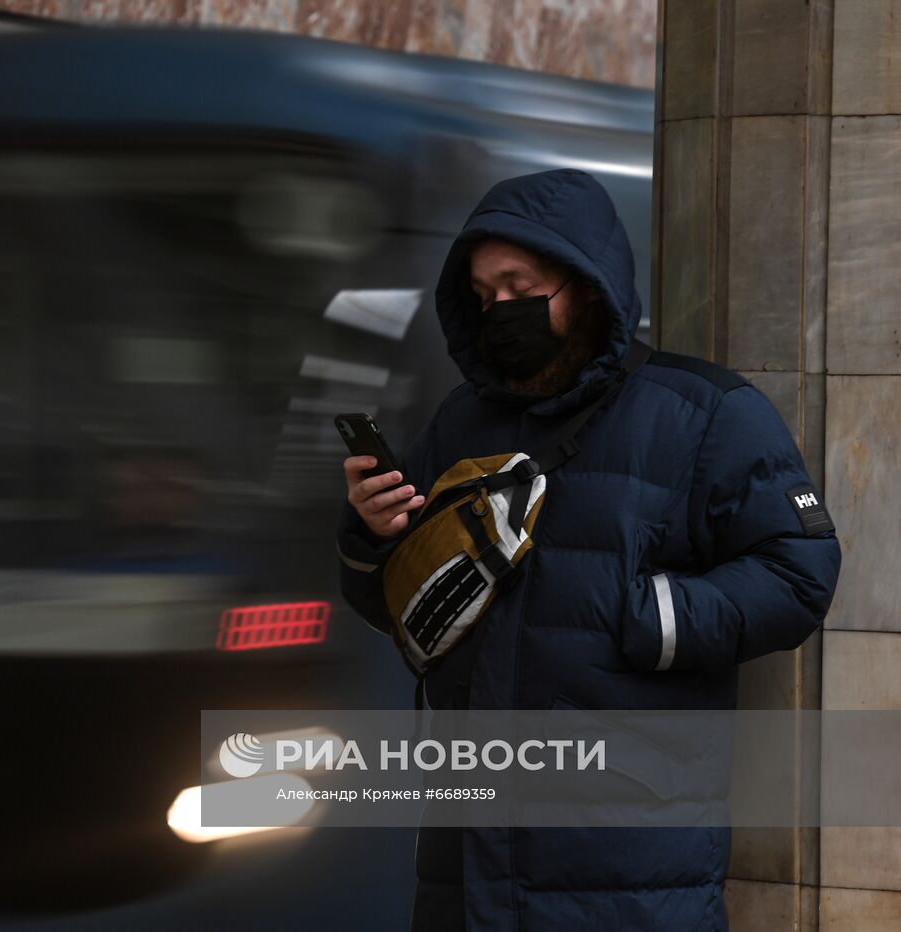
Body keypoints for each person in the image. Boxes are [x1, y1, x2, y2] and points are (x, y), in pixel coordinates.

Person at [334, 168, 841, 931]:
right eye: (483, 295)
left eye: (521, 284)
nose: (501, 309)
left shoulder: (706, 413)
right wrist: (375, 539)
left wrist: (649, 617)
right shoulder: (458, 424)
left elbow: (798, 572)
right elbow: (404, 609)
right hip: (466, 870)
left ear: (589, 286)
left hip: (628, 873)